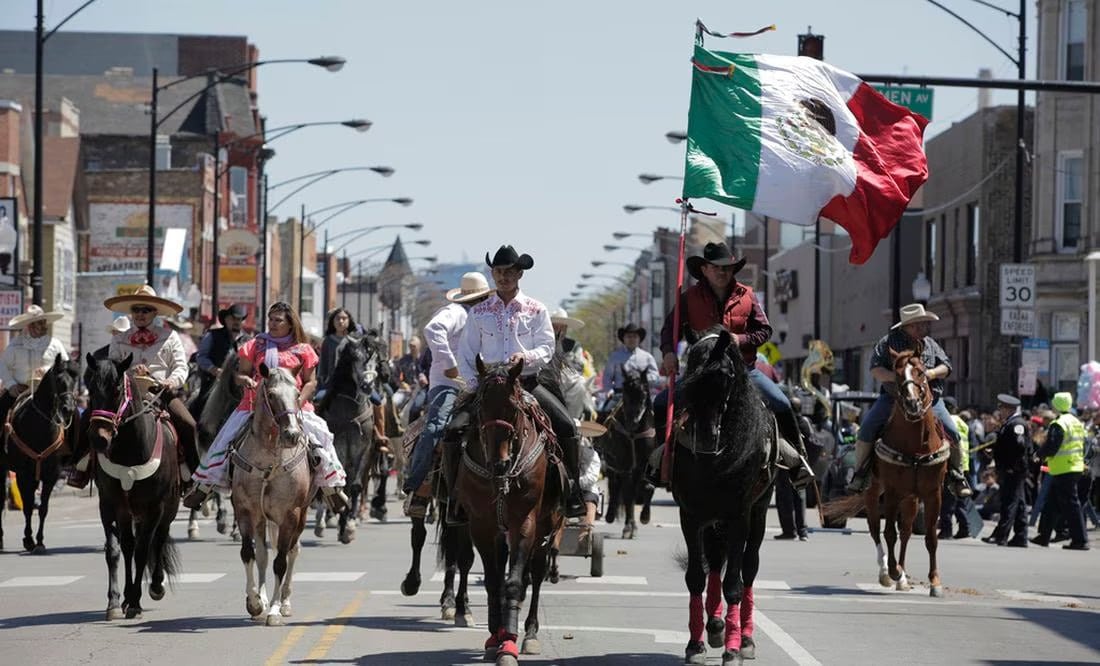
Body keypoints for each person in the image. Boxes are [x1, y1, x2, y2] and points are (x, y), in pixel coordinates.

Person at [653, 242, 812, 487]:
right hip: (701, 374)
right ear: (704, 269)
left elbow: (764, 330)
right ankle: (661, 458)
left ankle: (798, 463)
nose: (722, 272)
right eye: (716, 267)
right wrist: (667, 352)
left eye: (727, 267)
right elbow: (668, 330)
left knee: (783, 402)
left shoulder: (747, 295)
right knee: (661, 402)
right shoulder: (688, 298)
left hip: (743, 372)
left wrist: (742, 339)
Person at [445, 245, 586, 521]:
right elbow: (466, 353)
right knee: (452, 430)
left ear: (520, 274)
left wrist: (526, 356)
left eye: (509, 272)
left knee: (567, 426)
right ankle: (454, 498)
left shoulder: (536, 309)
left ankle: (573, 492)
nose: (503, 277)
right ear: (492, 274)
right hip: (486, 387)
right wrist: (474, 385)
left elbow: (547, 348)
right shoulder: (479, 312)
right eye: (498, 271)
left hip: (526, 383)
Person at [184, 301, 349, 512]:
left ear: (290, 323)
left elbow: (311, 382)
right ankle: (205, 486)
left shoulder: (303, 349)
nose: (272, 323)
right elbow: (241, 374)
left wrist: (297, 402)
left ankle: (331, 488)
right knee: (224, 440)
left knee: (321, 439)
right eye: (270, 319)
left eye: (277, 320)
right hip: (255, 405)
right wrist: (244, 380)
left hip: (293, 406)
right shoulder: (255, 345)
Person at [68, 286, 199, 489]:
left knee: (189, 424)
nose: (140, 314)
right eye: (136, 310)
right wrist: (127, 374)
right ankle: (80, 467)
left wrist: (171, 381)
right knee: (89, 418)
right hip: (125, 395)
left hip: (159, 393)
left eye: (145, 310)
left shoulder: (170, 336)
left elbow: (181, 367)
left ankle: (195, 476)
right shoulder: (119, 338)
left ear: (154, 313)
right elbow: (112, 368)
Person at [847, 304, 971, 497]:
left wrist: (930, 373)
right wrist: (899, 378)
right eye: (920, 324)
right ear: (909, 325)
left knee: (953, 432)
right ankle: (860, 473)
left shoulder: (930, 344)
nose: (924, 327)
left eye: (924, 324)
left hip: (931, 401)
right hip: (893, 399)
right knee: (867, 428)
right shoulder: (887, 343)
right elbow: (875, 370)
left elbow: (946, 366)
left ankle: (957, 475)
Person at [402, 272, 493, 517]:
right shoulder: (455, 312)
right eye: (482, 297)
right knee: (436, 426)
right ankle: (416, 483)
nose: (484, 300)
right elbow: (433, 330)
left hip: (478, 383)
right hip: (448, 384)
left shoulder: (484, 318)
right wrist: (449, 364)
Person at [1030, 392, 1090, 550]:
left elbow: (1052, 445)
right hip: (1073, 466)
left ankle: (1080, 540)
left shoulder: (1059, 424)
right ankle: (1044, 536)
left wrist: (1039, 455)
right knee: (1052, 503)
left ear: (1056, 405)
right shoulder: (1076, 422)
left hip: (1064, 468)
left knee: (1071, 505)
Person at [0, 305, 69, 431]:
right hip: (20, 391)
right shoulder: (16, 345)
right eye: (40, 323)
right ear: (30, 326)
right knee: (1, 409)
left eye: (44, 322)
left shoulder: (55, 344)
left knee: (70, 412)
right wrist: (11, 385)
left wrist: (50, 372)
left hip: (50, 391)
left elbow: (66, 367)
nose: (44, 325)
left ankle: (73, 447)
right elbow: (2, 365)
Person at [982, 394, 1031, 547]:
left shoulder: (1017, 423)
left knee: (1009, 503)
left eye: (1002, 408)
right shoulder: (1009, 422)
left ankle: (1001, 536)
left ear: (1009, 408)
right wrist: (994, 451)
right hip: (1011, 468)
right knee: (1020, 504)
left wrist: (1011, 466)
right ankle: (1021, 536)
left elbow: (1019, 446)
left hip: (1013, 470)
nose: (1000, 411)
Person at [600, 323, 659, 415]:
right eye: (628, 336)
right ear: (623, 339)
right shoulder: (615, 356)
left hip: (642, 395)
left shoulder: (648, 357)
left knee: (657, 415)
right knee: (604, 414)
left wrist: (641, 379)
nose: (632, 339)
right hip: (620, 395)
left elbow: (655, 376)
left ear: (639, 339)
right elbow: (607, 376)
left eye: (635, 336)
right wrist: (609, 390)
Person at [195, 303, 247, 396]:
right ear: (226, 319)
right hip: (213, 384)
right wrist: (213, 369)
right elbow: (201, 357)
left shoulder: (249, 341)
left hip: (239, 388)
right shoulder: (212, 335)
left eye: (239, 319)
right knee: (198, 406)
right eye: (233, 318)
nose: (236, 322)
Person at [939, 397, 973, 539]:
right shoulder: (962, 423)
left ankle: (946, 530)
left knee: (947, 499)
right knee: (959, 500)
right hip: (963, 465)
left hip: (951, 464)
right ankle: (965, 528)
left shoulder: (947, 421)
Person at [317, 307, 358, 401]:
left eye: (344, 318)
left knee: (376, 400)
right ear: (333, 321)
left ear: (349, 321)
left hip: (353, 381)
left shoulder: (355, 341)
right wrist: (323, 381)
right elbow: (323, 364)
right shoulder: (327, 341)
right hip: (331, 382)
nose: (341, 321)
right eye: (338, 318)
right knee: (318, 400)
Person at [550, 307, 587, 375]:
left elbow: (580, 366)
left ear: (566, 328)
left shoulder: (574, 345)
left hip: (569, 381)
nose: (559, 331)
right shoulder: (542, 344)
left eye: (562, 327)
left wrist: (566, 367)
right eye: (555, 327)